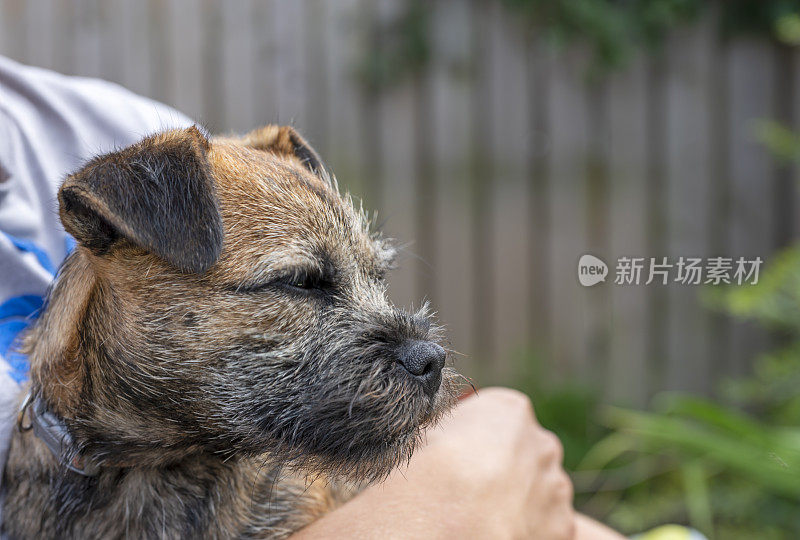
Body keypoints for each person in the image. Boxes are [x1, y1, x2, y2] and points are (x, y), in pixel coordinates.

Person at [0, 56, 623, 539]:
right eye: (301, 283)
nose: (422, 353)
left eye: (370, 279)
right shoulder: (157, 185)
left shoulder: (285, 489)